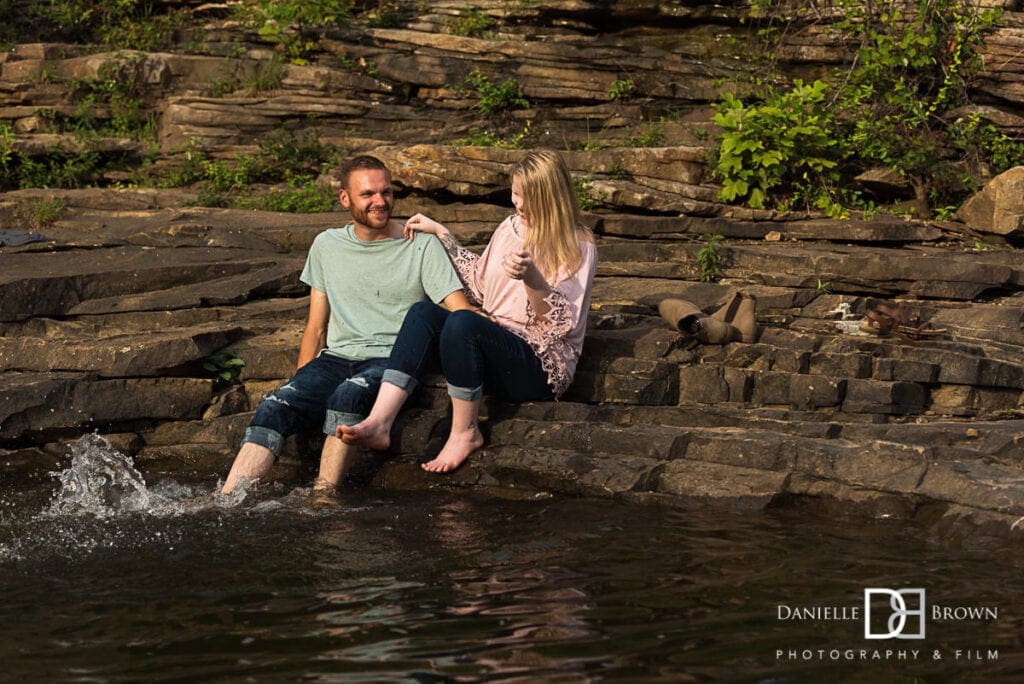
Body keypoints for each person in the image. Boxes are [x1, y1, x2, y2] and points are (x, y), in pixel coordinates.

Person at [220, 155, 470, 495]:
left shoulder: (421, 245)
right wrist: (303, 387)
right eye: (368, 194)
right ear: (345, 198)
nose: (380, 202)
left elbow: (460, 311)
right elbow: (316, 328)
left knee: (347, 396)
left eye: (386, 192)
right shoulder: (327, 245)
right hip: (335, 359)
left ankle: (323, 500)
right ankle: (227, 501)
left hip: (391, 363)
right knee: (275, 405)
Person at [340, 148, 598, 473]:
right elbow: (479, 284)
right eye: (515, 194)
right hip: (492, 348)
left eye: (527, 198)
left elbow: (562, 326)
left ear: (552, 197)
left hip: (538, 370)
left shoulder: (577, 243)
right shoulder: (510, 227)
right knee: (423, 313)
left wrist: (532, 277)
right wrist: (442, 235)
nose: (518, 205)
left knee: (463, 321)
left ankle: (465, 433)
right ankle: (380, 421)